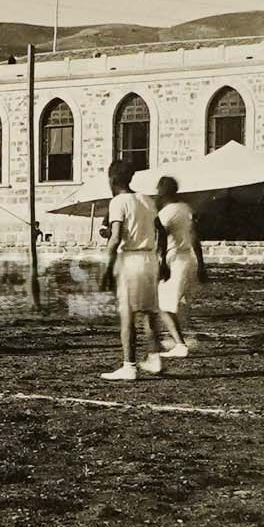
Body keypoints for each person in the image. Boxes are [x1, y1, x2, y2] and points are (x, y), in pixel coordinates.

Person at [100, 159, 167, 380]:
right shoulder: (147, 199)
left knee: (127, 314)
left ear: (112, 180)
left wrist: (107, 268)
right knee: (149, 311)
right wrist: (163, 259)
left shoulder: (118, 201)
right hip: (150, 259)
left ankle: (129, 365)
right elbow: (162, 232)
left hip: (130, 259)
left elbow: (116, 237)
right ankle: (155, 358)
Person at [154, 176, 208, 358]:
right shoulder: (186, 209)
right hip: (188, 259)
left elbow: (161, 239)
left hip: (175, 259)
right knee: (179, 303)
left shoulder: (166, 213)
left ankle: (180, 344)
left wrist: (162, 264)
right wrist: (201, 264)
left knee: (163, 305)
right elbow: (195, 237)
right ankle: (177, 339)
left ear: (162, 192)